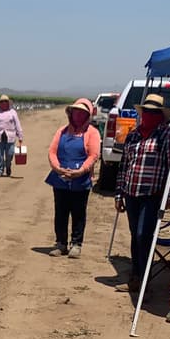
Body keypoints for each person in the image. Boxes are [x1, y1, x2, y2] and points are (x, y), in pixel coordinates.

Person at [115, 93, 170, 292]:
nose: (148, 115)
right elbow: (124, 166)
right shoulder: (133, 135)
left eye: (153, 112)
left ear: (160, 115)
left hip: (153, 194)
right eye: (146, 112)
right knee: (135, 235)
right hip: (131, 193)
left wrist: (168, 194)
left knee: (144, 235)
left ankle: (144, 280)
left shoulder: (166, 135)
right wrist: (119, 193)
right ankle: (136, 277)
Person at [44, 98, 100, 258]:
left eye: (82, 113)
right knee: (60, 211)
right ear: (71, 113)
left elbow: (93, 155)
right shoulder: (61, 131)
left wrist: (81, 171)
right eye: (76, 112)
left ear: (87, 115)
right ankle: (61, 243)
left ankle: (76, 244)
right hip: (60, 178)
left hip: (80, 179)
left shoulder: (92, 133)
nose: (78, 115)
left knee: (78, 212)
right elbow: (52, 151)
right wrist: (57, 168)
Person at [0, 94, 24, 177]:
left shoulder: (13, 112)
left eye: (6, 101)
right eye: (2, 102)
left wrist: (20, 136)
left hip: (10, 137)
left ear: (8, 103)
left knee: (10, 153)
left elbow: (17, 124)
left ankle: (8, 165)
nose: (4, 103)